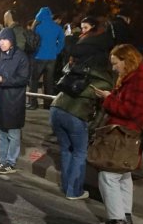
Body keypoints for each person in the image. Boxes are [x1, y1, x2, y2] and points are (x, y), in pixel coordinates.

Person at [48, 20, 117, 201]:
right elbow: (102, 111)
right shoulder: (103, 81)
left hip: (56, 109)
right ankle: (74, 190)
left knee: (65, 149)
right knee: (79, 152)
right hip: (75, 115)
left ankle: (67, 186)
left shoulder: (77, 69)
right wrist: (94, 128)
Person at [91, 44, 143, 224]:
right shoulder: (136, 77)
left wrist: (108, 98)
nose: (114, 68)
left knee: (108, 175)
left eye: (115, 63)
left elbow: (130, 111)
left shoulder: (139, 80)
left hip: (125, 134)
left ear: (127, 61)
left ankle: (118, 222)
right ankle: (125, 217)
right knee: (123, 176)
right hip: (127, 133)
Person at [0, 27, 31, 174]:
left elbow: (23, 79)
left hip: (14, 99)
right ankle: (2, 161)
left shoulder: (21, 57)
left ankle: (11, 162)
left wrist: (3, 80)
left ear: (12, 41)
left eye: (5, 39)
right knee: (1, 132)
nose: (2, 43)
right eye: (0, 40)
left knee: (13, 133)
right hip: (0, 98)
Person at [29, 7, 66, 109]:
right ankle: (48, 104)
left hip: (38, 56)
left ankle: (33, 103)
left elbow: (32, 42)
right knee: (48, 81)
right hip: (52, 58)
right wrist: (56, 51)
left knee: (34, 80)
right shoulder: (57, 27)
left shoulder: (37, 27)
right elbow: (62, 42)